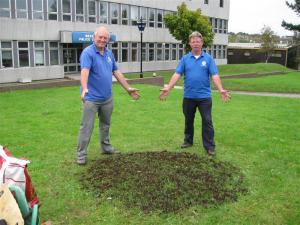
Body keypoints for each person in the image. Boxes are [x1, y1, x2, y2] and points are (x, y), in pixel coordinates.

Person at [76, 26, 140, 165]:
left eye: (105, 38)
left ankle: (106, 147)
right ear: (94, 37)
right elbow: (84, 71)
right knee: (86, 127)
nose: (102, 40)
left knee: (105, 125)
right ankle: (81, 154)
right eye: (100, 37)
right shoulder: (88, 53)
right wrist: (85, 88)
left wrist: (128, 88)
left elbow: (116, 72)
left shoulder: (109, 54)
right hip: (91, 98)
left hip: (107, 98)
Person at [160, 31, 230, 156]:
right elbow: (177, 74)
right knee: (188, 120)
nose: (196, 44)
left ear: (202, 43)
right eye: (193, 42)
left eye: (198, 41)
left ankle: (209, 146)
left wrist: (221, 89)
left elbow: (214, 75)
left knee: (207, 121)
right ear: (190, 44)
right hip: (189, 96)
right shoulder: (185, 59)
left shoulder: (208, 59)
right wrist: (168, 88)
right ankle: (188, 141)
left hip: (204, 97)